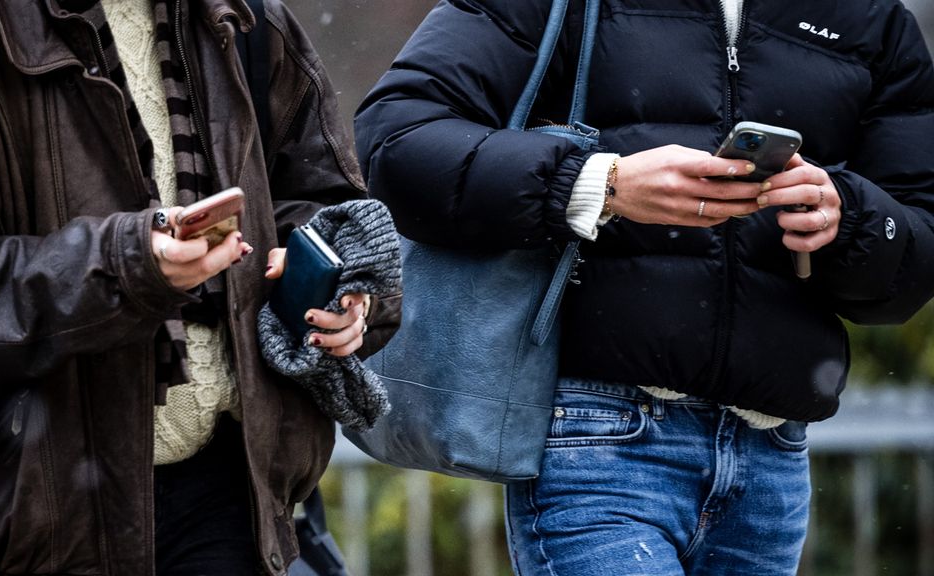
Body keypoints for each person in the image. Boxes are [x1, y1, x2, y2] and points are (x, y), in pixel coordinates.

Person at [354, 0, 934, 574]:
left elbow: (917, 250)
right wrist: (599, 182)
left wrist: (846, 218)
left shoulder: (873, 17)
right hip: (595, 435)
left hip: (772, 461)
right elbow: (396, 140)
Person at [0, 0, 399, 574]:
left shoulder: (244, 17)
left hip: (227, 490)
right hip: (36, 506)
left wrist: (339, 287)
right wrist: (129, 265)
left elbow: (330, 209)